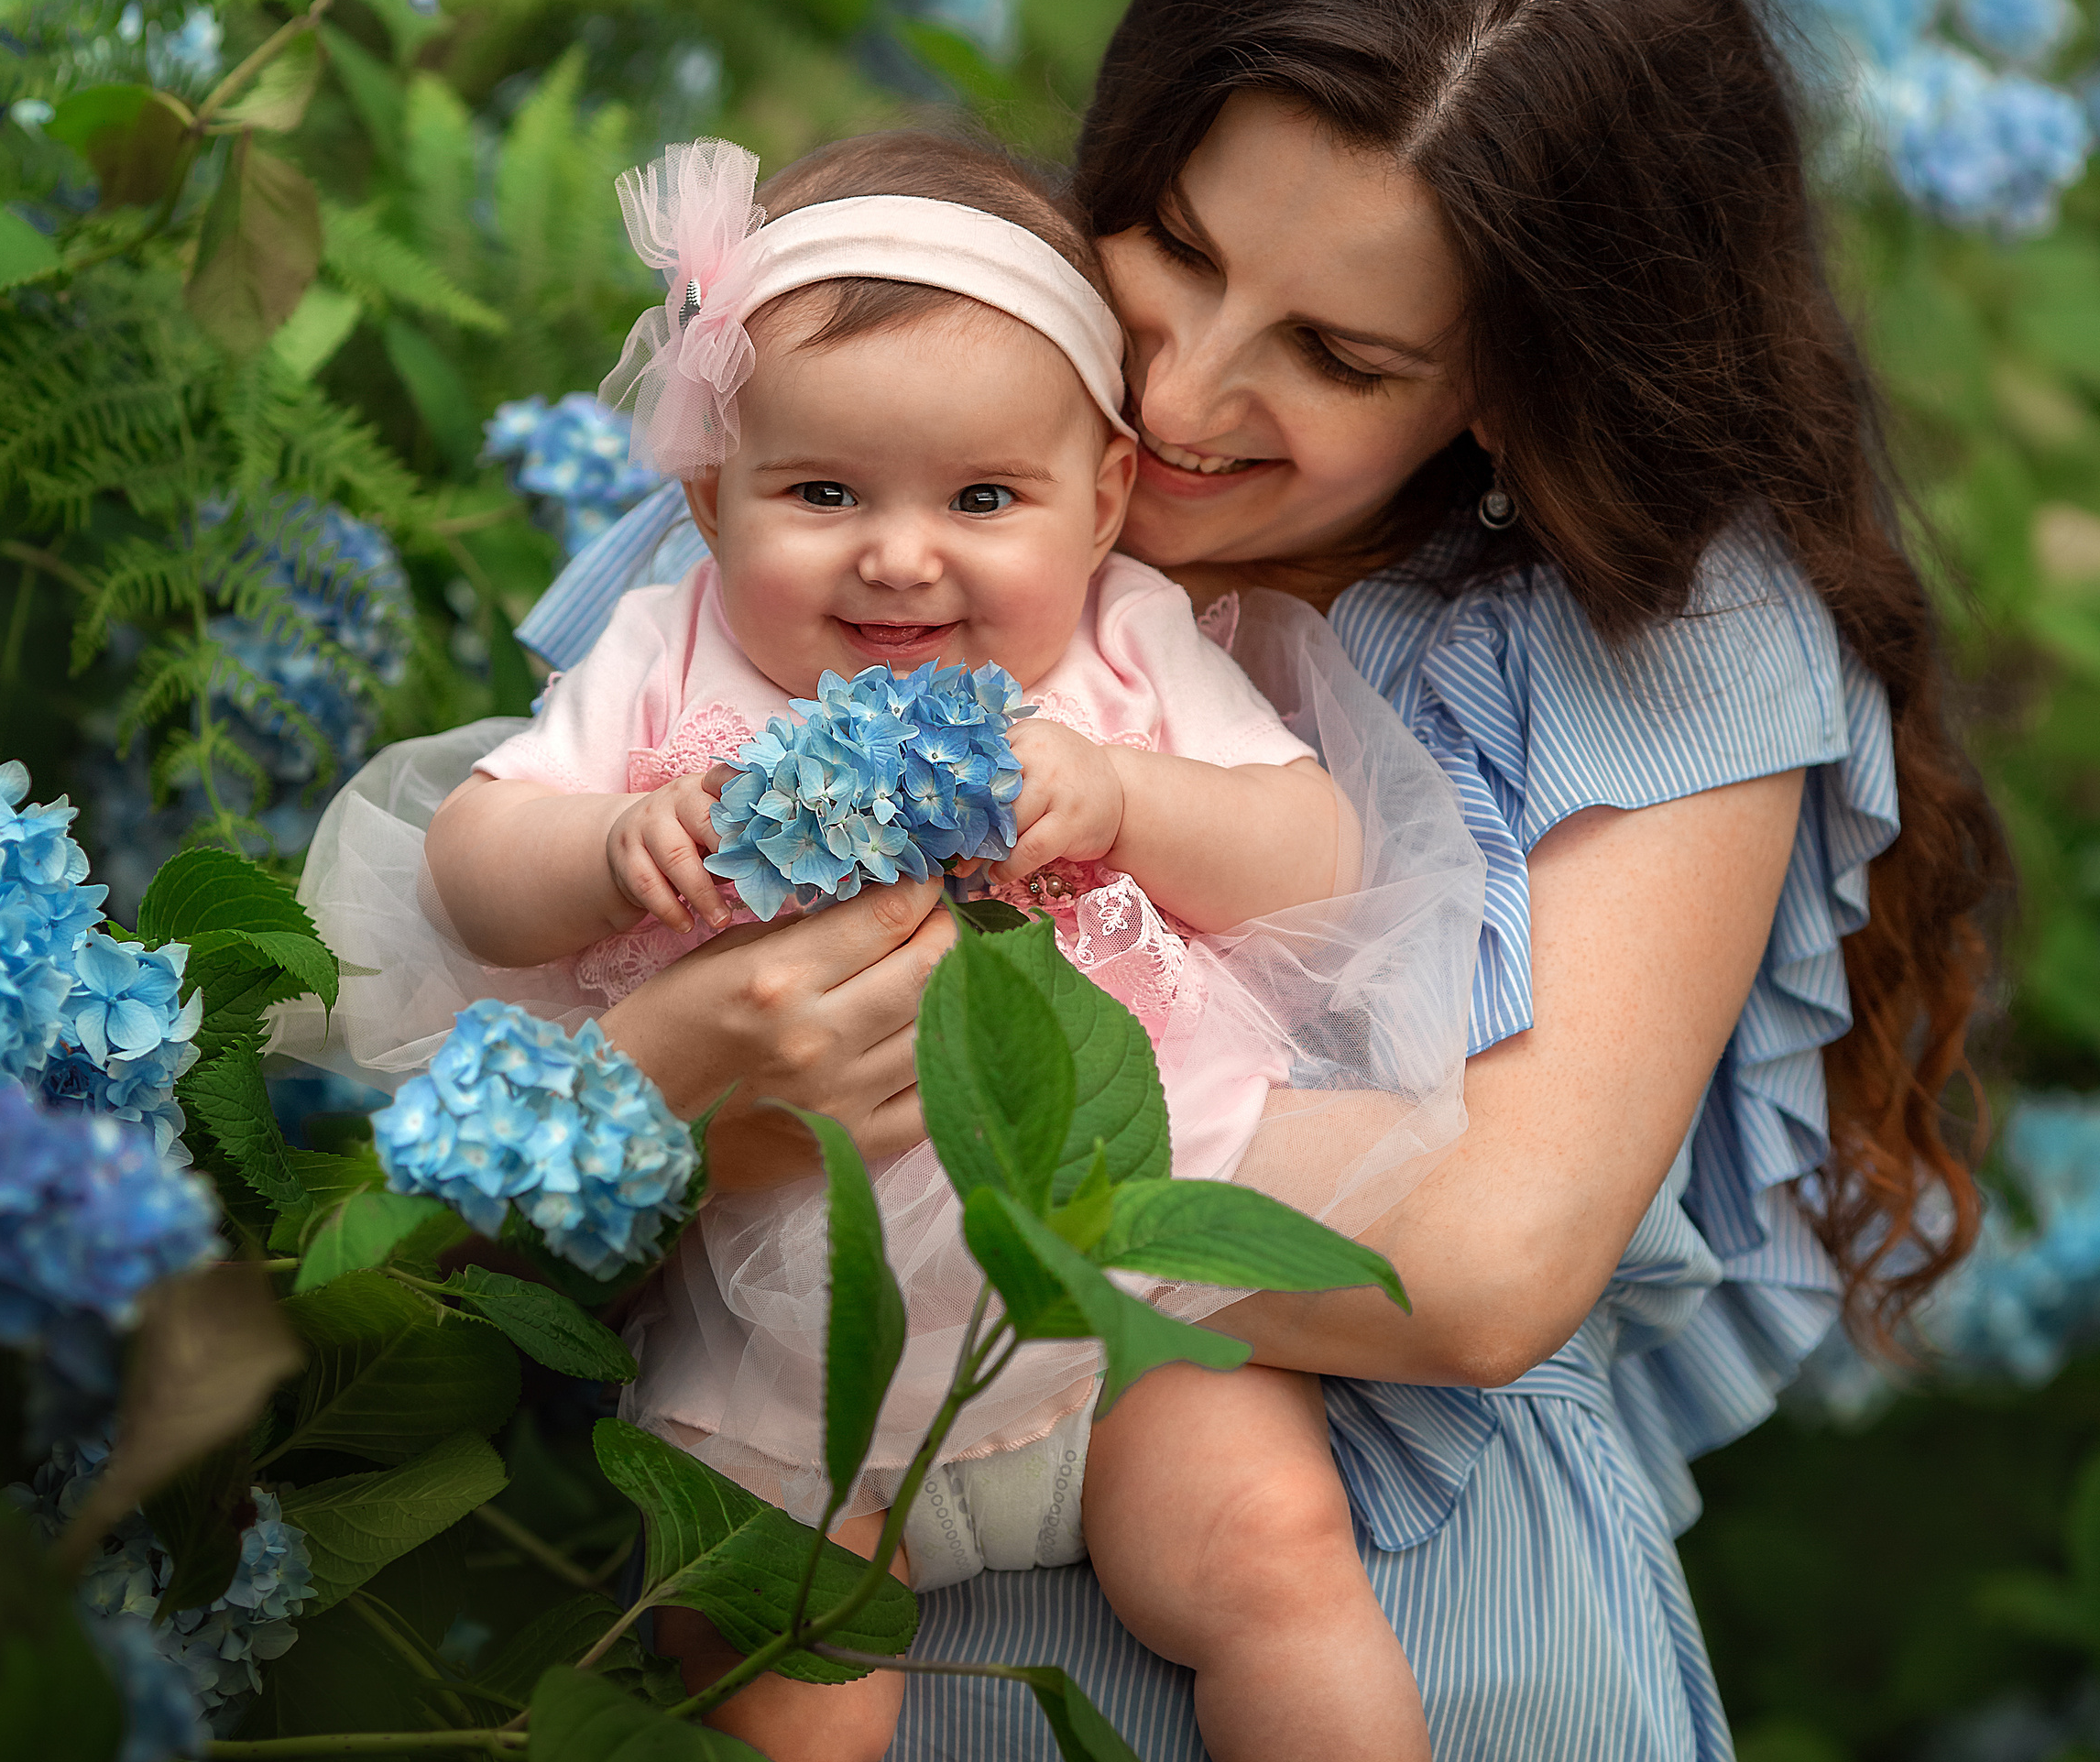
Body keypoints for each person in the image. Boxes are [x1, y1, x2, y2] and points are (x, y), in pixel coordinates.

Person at [425, 0, 2005, 1756]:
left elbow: (1481, 1262)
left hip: (1413, 1627)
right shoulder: (866, 456)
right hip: (856, 1593)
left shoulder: (1657, 626)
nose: (1175, 390)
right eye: (1171, 245)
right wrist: (666, 1067)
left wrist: (833, 1124)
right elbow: (469, 1163)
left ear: (1512, 380)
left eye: (1337, 358)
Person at [409, 129, 1472, 1762]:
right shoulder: (665, 646)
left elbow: (1316, 852)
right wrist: (605, 846)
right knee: (782, 1673)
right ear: (709, 494)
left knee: (1271, 1563)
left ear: (1103, 497)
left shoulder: (1124, 642)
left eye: (984, 497)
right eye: (823, 492)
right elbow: (469, 870)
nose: (902, 554)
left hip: (1125, 1282)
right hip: (785, 1333)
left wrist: (1123, 798)